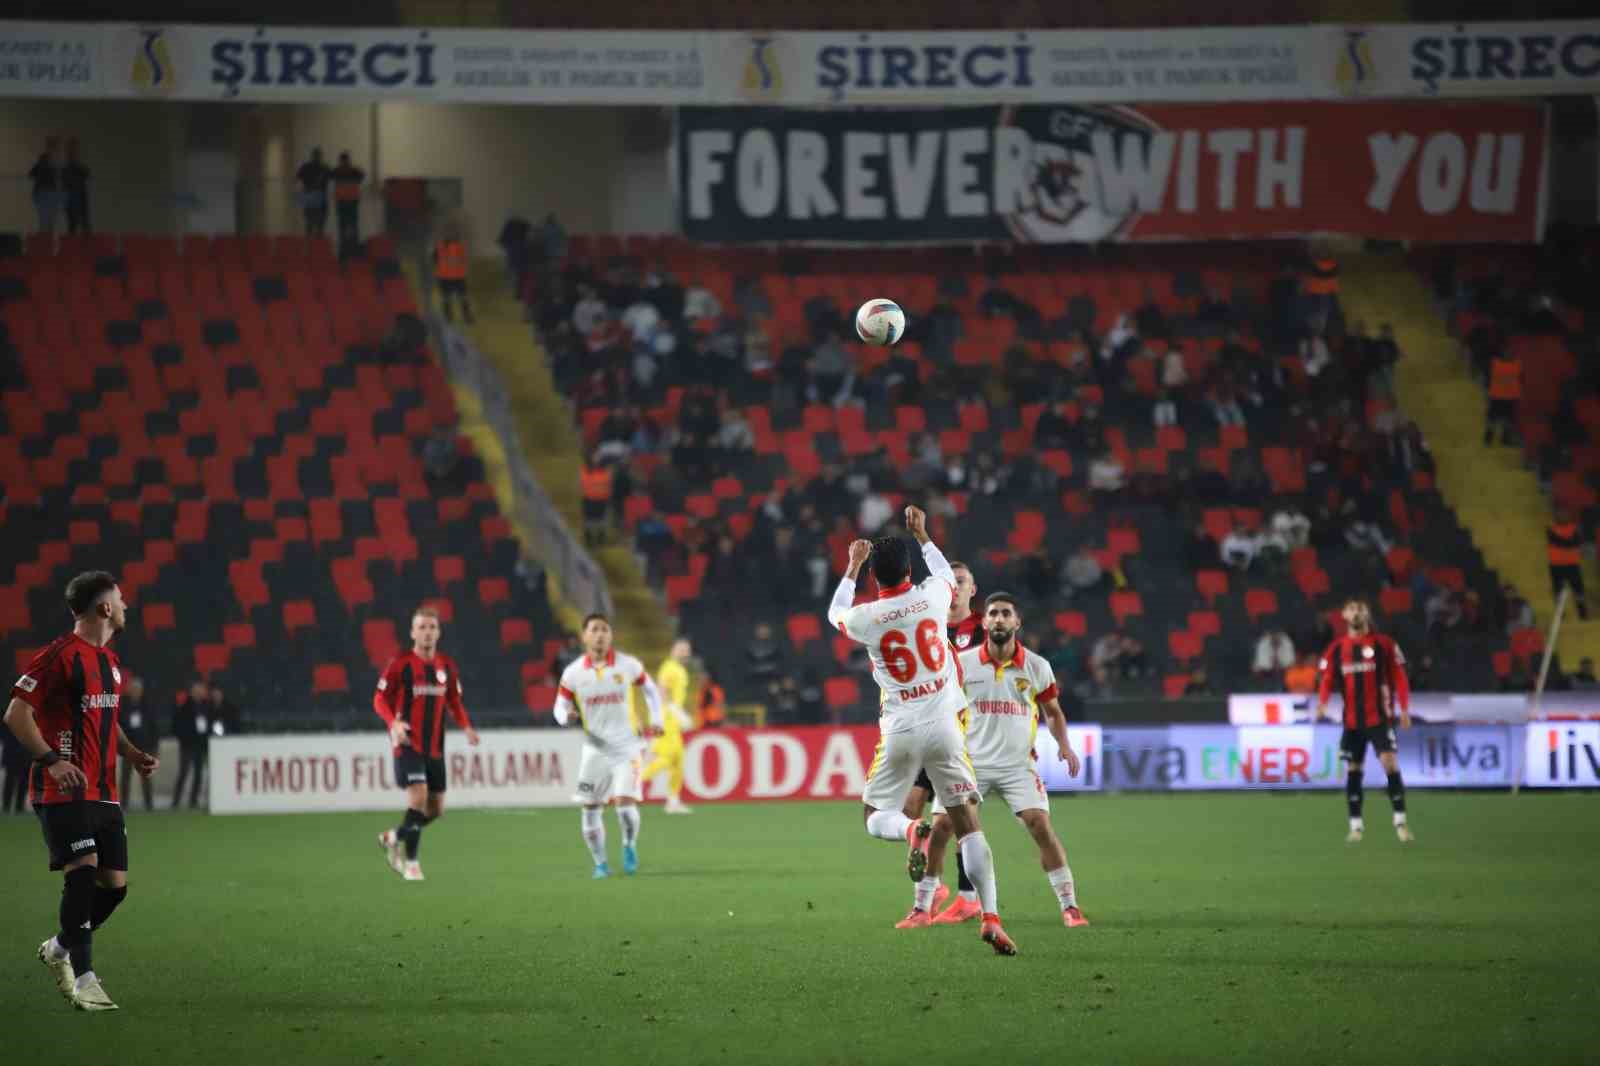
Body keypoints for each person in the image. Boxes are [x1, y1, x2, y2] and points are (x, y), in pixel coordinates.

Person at [828, 507, 1018, 956]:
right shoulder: (933, 596)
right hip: (945, 728)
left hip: (900, 729)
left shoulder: (867, 617)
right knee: (970, 827)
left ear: (875, 579)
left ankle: (911, 832)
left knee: (875, 816)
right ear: (909, 571)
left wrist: (852, 564)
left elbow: (836, 611)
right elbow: (941, 572)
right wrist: (923, 534)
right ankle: (990, 917)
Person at [5, 571, 159, 1011]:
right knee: (82, 869)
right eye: (121, 599)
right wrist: (53, 761)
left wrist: (130, 753)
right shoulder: (59, 656)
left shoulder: (109, 662)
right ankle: (86, 981)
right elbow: (16, 714)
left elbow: (105, 723)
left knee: (113, 886)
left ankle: (58, 948)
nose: (127, 605)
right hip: (63, 789)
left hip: (104, 791)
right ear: (104, 607)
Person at [897, 592, 1088, 931]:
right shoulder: (963, 663)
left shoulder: (1037, 666)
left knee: (1040, 825)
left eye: (1006, 614)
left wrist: (1065, 745)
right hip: (968, 764)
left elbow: (1053, 712)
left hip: (1017, 766)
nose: (999, 619)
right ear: (983, 622)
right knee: (940, 828)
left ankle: (1070, 906)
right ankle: (921, 908)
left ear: (1017, 622)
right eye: (993, 614)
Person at [894, 560, 981, 922]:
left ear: (972, 590)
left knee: (952, 820)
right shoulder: (927, 627)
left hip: (963, 732)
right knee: (910, 811)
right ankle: (943, 889)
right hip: (927, 727)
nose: (957, 588)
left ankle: (956, 896)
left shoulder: (983, 629)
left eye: (963, 582)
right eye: (953, 582)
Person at [373, 606, 480, 881]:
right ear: (412, 632)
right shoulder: (401, 664)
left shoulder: (447, 667)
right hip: (408, 743)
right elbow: (379, 699)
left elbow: (454, 702)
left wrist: (467, 727)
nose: (427, 632)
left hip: (435, 748)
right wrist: (393, 724)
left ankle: (394, 836)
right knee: (418, 797)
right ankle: (412, 864)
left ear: (439, 632)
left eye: (432, 627)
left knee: (435, 810)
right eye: (422, 627)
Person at [553, 614, 662, 878]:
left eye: (605, 629)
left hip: (627, 747)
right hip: (595, 748)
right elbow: (559, 705)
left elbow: (650, 689)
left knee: (624, 805)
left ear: (611, 636)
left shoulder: (628, 665)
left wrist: (656, 719)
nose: (600, 634)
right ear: (585, 636)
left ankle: (629, 845)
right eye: (595, 629)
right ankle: (600, 864)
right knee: (590, 808)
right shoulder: (573, 672)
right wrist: (564, 717)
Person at [1316, 600, 1414, 845]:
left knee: (1390, 764)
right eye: (1352, 608)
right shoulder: (1337, 648)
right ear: (1344, 615)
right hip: (1352, 722)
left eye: (1361, 608)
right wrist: (1322, 702)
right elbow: (1327, 678)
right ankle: (1356, 826)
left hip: (1379, 719)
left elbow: (1399, 677)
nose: (1357, 612)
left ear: (1367, 614)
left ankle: (1400, 822)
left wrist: (1404, 708)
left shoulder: (1384, 644)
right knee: (1353, 770)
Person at [642, 639, 694, 814]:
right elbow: (662, 691)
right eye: (682, 650)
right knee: (666, 757)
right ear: (674, 650)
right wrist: (675, 712)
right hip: (666, 718)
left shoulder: (679, 669)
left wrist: (679, 714)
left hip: (673, 720)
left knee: (678, 760)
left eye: (687, 650)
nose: (685, 653)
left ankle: (673, 801)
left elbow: (675, 696)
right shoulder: (669, 667)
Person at [170, 678, 210, 809]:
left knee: (198, 773)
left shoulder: (206, 707)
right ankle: (176, 801)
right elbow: (176, 726)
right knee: (184, 772)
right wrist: (184, 738)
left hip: (200, 745)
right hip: (187, 745)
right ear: (192, 692)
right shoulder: (184, 707)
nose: (199, 693)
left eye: (201, 691)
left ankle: (193, 800)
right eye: (196, 691)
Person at [117, 675, 154, 812]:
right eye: (133, 689)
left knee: (146, 777)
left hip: (145, 747)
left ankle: (149, 804)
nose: (135, 691)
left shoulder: (147, 705)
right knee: (125, 777)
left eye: (137, 689)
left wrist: (153, 747)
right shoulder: (124, 706)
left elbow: (153, 727)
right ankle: (124, 804)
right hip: (128, 747)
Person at [1547, 510, 1588, 620]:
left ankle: (1583, 614)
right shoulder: (1551, 528)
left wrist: (1568, 543)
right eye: (1560, 514)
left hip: (1572, 564)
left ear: (1569, 516)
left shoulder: (1574, 528)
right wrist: (1570, 543)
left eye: (1564, 514)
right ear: (1555, 516)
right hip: (1556, 565)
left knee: (1578, 590)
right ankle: (1560, 616)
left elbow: (1574, 542)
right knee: (1558, 591)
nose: (1562, 516)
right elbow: (1564, 542)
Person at [433, 227, 473, 323]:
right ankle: (467, 317)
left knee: (446, 298)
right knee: (462, 297)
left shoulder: (439, 247)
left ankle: (448, 317)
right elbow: (464, 260)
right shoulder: (459, 247)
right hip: (458, 277)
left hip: (445, 277)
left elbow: (434, 260)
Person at [331, 151, 365, 258]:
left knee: (344, 227)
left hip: (344, 202)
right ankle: (352, 249)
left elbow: (331, 176)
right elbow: (362, 176)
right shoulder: (354, 170)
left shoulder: (337, 171)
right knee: (352, 226)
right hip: (350, 202)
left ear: (341, 160)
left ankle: (345, 250)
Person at [1485, 349, 1521, 446]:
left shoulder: (1495, 364)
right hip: (1507, 396)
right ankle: (1502, 437)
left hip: (1499, 396)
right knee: (1506, 419)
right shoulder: (1516, 365)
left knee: (1495, 418)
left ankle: (1491, 436)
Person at [29, 138, 62, 235]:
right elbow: (32, 173)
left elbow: (57, 179)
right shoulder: (43, 160)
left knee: (49, 220)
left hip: (50, 193)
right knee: (44, 219)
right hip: (43, 193)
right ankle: (43, 240)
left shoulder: (55, 162)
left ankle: (47, 239)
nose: (53, 150)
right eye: (52, 147)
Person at [296, 147, 331, 235]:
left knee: (311, 222)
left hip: (310, 195)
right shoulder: (324, 168)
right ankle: (315, 243)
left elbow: (298, 179)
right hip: (317, 196)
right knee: (317, 223)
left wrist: (302, 193)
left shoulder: (306, 167)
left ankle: (311, 244)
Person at [62, 138, 90, 235]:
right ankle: (72, 246)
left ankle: (87, 245)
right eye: (72, 149)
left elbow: (86, 173)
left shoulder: (80, 167)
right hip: (71, 196)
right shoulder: (66, 168)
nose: (75, 152)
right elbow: (65, 181)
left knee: (84, 222)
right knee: (73, 223)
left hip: (80, 194)